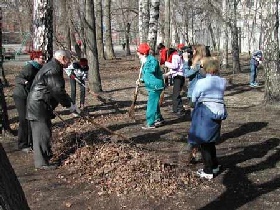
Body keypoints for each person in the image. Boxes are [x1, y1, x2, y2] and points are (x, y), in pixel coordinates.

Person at [26, 50, 80, 170]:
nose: (70, 61)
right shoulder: (53, 69)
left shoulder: (54, 66)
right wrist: (70, 105)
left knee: (45, 132)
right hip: (39, 105)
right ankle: (42, 163)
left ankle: (45, 157)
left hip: (41, 104)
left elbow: (57, 89)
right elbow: (57, 90)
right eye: (69, 59)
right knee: (41, 134)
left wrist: (70, 103)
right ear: (62, 58)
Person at [188, 57, 227, 180]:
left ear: (206, 69)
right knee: (211, 141)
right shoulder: (222, 81)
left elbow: (194, 98)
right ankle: (215, 165)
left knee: (204, 142)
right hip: (218, 112)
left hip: (205, 112)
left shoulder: (202, 82)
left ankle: (208, 171)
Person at [12, 55, 45, 153]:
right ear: (35, 59)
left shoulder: (39, 68)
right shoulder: (30, 67)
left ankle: (30, 142)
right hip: (20, 96)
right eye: (41, 58)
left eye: (44, 58)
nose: (43, 60)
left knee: (30, 119)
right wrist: (26, 82)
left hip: (29, 96)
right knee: (23, 119)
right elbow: (18, 78)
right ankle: (22, 144)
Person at [136, 43, 165, 130]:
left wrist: (145, 65)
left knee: (151, 105)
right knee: (155, 103)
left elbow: (151, 71)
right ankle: (159, 118)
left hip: (155, 86)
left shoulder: (152, 61)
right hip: (152, 85)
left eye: (139, 54)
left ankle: (150, 123)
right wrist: (141, 80)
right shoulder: (146, 60)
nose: (138, 55)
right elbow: (147, 76)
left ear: (144, 53)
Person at [183, 44, 208, 108]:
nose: (192, 52)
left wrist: (186, 61)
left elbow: (186, 74)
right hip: (203, 92)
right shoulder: (205, 61)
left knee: (195, 112)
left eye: (193, 51)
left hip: (195, 92)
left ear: (197, 52)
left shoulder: (198, 64)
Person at [164, 44, 185, 116]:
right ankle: (175, 109)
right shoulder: (176, 55)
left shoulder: (175, 56)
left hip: (179, 77)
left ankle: (180, 109)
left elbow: (175, 66)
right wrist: (167, 74)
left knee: (176, 95)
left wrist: (166, 63)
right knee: (175, 94)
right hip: (177, 76)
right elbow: (175, 69)